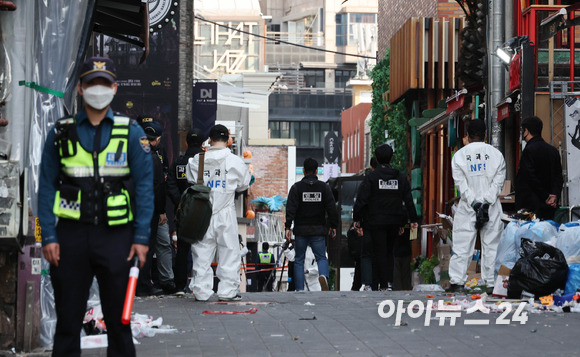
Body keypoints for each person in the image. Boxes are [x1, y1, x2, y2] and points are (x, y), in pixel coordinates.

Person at [38, 56, 153, 356]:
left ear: (114, 88)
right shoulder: (61, 132)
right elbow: (46, 186)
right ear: (79, 88)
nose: (97, 89)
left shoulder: (131, 132)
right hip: (69, 238)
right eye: (91, 83)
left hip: (117, 238)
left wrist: (141, 238)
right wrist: (48, 235)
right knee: (67, 323)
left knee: (119, 323)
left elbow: (144, 187)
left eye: (104, 84)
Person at [186, 124, 250, 301]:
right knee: (229, 251)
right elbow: (244, 184)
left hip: (202, 211)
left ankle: (201, 290)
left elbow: (191, 180)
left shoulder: (196, 161)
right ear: (228, 141)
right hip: (225, 211)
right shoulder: (236, 161)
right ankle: (227, 291)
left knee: (201, 251)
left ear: (210, 140)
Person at [448, 119, 506, 293]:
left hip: (467, 207)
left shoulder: (459, 156)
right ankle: (490, 283)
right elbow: (498, 183)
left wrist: (474, 203)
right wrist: (486, 203)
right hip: (491, 207)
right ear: (485, 134)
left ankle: (457, 282)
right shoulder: (497, 155)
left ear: (467, 135)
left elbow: (461, 185)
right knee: (492, 245)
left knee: (462, 245)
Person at [353, 144, 418, 291]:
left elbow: (362, 200)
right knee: (389, 251)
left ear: (376, 158)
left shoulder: (371, 178)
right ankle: (387, 282)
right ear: (391, 158)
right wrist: (412, 219)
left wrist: (357, 219)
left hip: (375, 221)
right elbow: (408, 199)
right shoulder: (399, 177)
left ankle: (381, 284)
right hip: (394, 220)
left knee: (379, 251)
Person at [285, 157, 338, 291]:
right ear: (316, 171)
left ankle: (300, 289)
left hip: (301, 230)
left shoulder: (296, 188)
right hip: (318, 230)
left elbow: (290, 208)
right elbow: (332, 207)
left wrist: (288, 226)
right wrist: (333, 225)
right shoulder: (324, 188)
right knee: (321, 257)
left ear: (303, 171)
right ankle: (324, 276)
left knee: (299, 260)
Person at [136, 118, 176, 295]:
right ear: (157, 139)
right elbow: (159, 187)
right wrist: (161, 211)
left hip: (128, 208)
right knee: (147, 246)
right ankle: (143, 285)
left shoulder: (131, 154)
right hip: (148, 210)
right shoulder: (153, 158)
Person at [167, 128, 206, 293]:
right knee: (203, 249)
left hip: (182, 212)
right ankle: (201, 285)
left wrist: (180, 202)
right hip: (203, 211)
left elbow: (170, 184)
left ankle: (180, 286)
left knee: (182, 250)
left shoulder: (179, 162)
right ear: (203, 143)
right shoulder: (206, 161)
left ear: (186, 142)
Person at [515, 116, 564, 220]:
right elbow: (558, 177)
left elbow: (530, 177)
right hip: (550, 207)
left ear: (526, 131)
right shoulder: (553, 150)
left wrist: (546, 196)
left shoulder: (528, 151)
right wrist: (554, 196)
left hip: (531, 206)